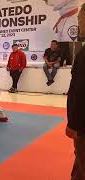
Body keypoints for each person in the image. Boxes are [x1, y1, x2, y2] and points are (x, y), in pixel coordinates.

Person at [66, 44, 85, 180]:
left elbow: (80, 91)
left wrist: (73, 123)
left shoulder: (83, 54)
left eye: (82, 20)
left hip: (81, 123)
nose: (80, 21)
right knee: (80, 161)